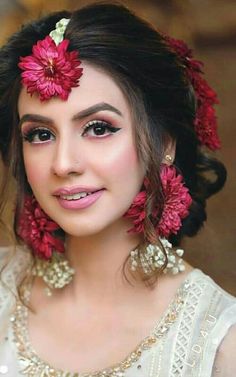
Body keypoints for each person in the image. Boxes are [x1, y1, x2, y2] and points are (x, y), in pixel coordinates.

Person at [0, 2, 235, 376]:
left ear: (164, 144)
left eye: (98, 128)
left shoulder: (218, 344)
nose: (63, 164)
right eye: (40, 134)